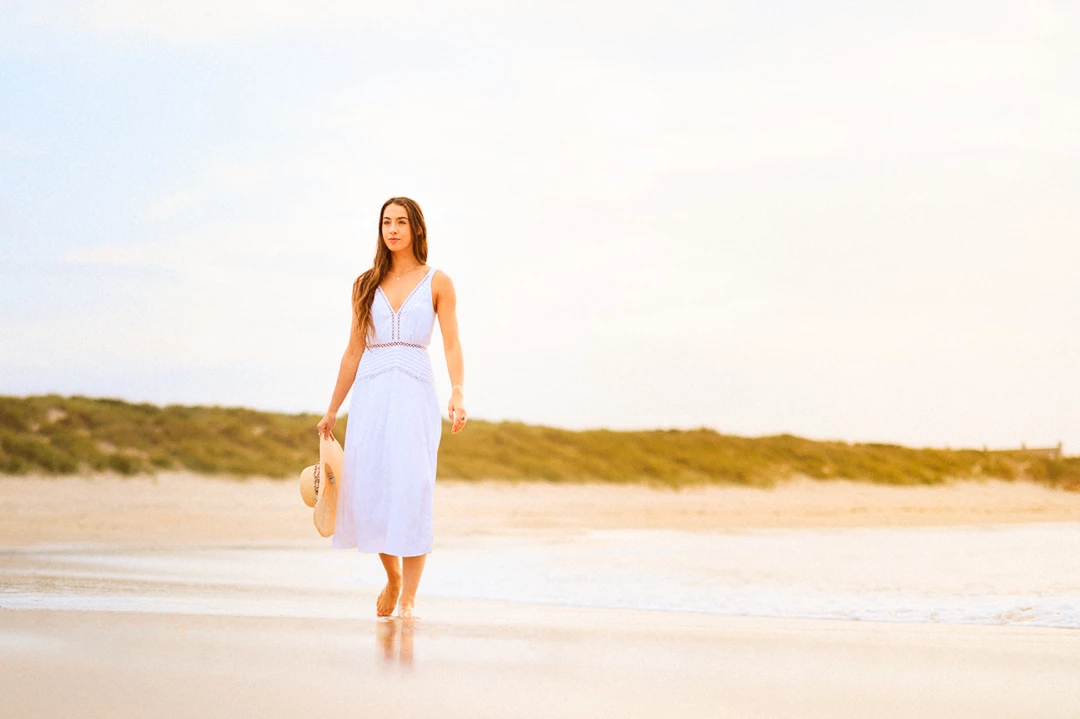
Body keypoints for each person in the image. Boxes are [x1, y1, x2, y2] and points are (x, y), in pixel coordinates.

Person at [317, 196, 467, 619]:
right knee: (372, 487)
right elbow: (352, 351)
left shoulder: (438, 282)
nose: (393, 229)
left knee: (413, 487)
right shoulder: (365, 284)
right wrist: (332, 409)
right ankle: (393, 576)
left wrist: (458, 390)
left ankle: (411, 597)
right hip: (372, 395)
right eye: (387, 222)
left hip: (416, 394)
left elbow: (452, 342)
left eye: (401, 222)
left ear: (417, 228)